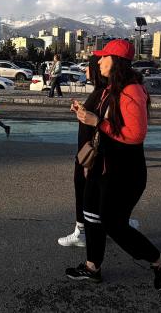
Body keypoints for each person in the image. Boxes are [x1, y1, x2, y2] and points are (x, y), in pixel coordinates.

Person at [65, 39, 161, 291]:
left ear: (117, 62)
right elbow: (103, 121)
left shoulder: (131, 91)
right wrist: (85, 114)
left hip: (124, 171)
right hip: (101, 166)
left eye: (104, 57)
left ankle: (160, 262)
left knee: (114, 224)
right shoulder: (109, 89)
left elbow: (135, 134)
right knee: (91, 216)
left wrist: (97, 122)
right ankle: (92, 268)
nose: (99, 61)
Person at [58, 55, 106, 247]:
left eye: (89, 67)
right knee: (91, 193)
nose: (85, 70)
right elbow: (91, 117)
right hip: (87, 153)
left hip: (88, 155)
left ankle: (82, 232)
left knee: (84, 191)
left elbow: (97, 123)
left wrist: (88, 162)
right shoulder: (100, 91)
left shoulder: (101, 92)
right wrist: (80, 110)